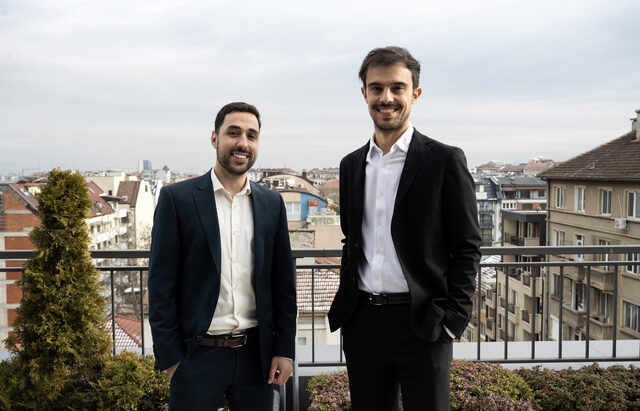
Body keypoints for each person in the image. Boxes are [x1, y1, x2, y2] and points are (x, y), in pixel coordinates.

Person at [328, 47, 481, 410]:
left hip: (424, 322)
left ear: (415, 94)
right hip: (363, 321)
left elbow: (467, 246)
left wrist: (452, 320)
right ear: (364, 93)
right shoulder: (351, 165)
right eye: (376, 88)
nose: (387, 98)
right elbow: (353, 240)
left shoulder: (444, 160)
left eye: (397, 87)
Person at [148, 102, 296, 410]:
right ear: (214, 138)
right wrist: (173, 359)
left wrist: (284, 349)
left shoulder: (272, 204)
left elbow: (283, 284)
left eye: (251, 135)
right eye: (233, 133)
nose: (243, 143)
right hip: (196, 357)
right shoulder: (178, 199)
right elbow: (161, 285)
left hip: (256, 357)